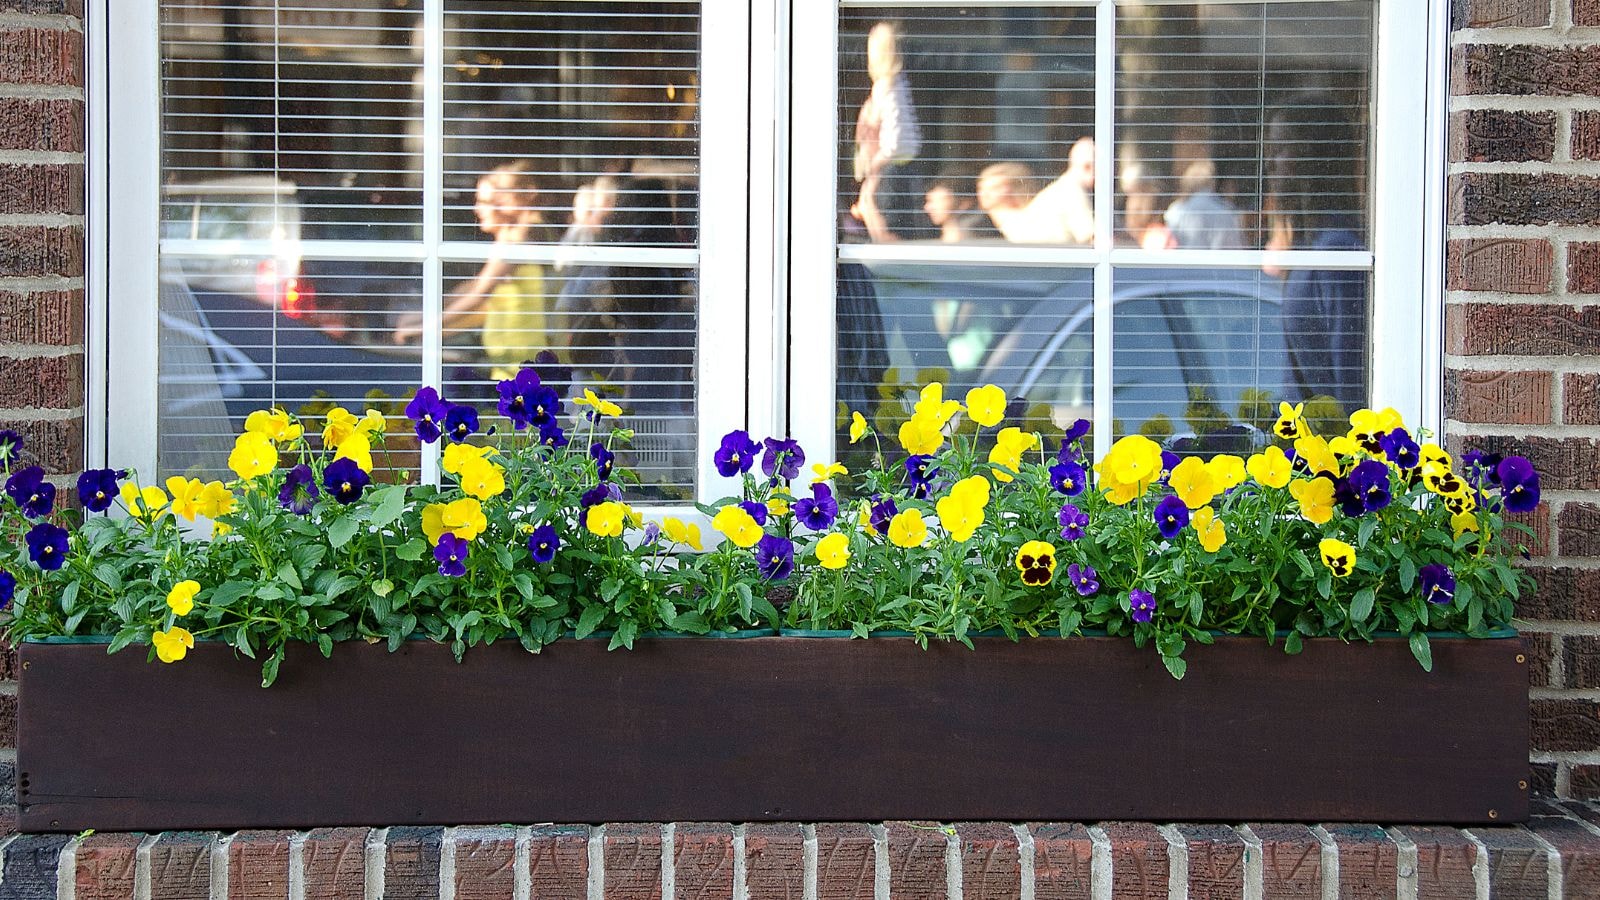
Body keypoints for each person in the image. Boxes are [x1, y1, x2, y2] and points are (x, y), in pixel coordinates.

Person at [393, 161, 553, 382]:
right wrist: (425, 318)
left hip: (523, 362)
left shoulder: (522, 240)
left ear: (510, 201)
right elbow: (476, 287)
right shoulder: (511, 240)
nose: (477, 209)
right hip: (511, 361)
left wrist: (424, 329)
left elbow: (479, 295)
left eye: (485, 201)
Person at [1264, 94, 1366, 412]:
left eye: (1281, 148)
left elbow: (1348, 387)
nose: (1271, 163)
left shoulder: (1336, 252)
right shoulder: (1313, 248)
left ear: (1312, 157)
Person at [850, 22, 924, 243]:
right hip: (888, 172)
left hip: (890, 173)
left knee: (889, 240)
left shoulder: (891, 87)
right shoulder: (889, 87)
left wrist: (875, 165)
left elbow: (898, 141)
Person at [1164, 159, 1243, 250]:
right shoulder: (1224, 211)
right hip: (1215, 262)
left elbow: (1170, 246)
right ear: (1212, 182)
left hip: (1184, 262)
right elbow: (1234, 249)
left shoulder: (1176, 211)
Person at [923, 177, 997, 242]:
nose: (927, 207)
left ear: (965, 203)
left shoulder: (976, 238)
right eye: (929, 201)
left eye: (936, 201)